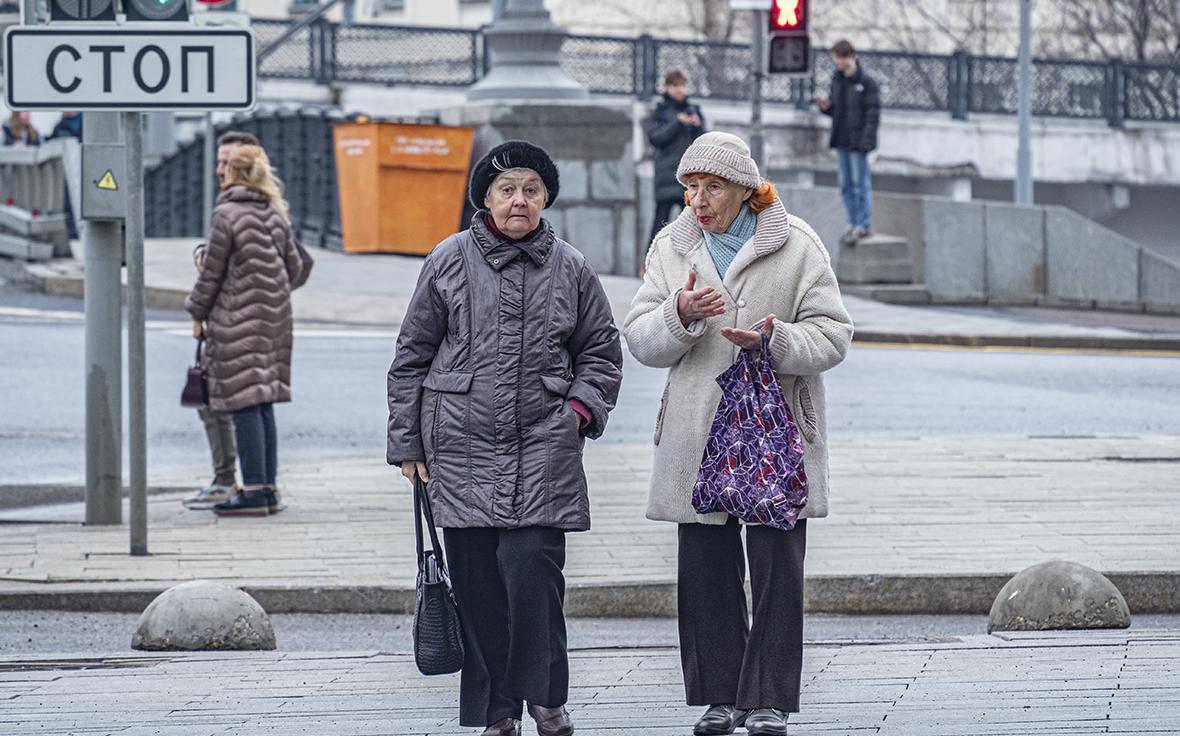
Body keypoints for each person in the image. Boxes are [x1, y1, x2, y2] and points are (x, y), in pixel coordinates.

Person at [387, 140, 623, 736]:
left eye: (531, 190)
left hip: (545, 442)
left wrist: (578, 410)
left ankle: (545, 698)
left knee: (530, 572)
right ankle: (496, 711)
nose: (519, 200)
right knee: (478, 585)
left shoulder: (571, 266)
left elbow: (601, 352)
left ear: (545, 199)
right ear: (486, 199)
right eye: (507, 190)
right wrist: (408, 444)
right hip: (460, 445)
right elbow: (411, 358)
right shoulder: (447, 259)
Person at [623, 132, 853, 736]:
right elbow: (641, 337)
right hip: (698, 433)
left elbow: (834, 333)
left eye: (713, 187)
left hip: (773, 433)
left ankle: (769, 698)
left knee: (777, 566)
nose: (699, 200)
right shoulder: (671, 247)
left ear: (746, 190)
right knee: (704, 567)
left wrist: (775, 341)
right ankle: (720, 697)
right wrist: (681, 315)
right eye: (691, 187)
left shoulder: (797, 245)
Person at [185, 144, 305, 517]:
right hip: (274, 319)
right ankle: (266, 487)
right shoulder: (274, 213)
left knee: (244, 404)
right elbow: (296, 268)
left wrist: (197, 311)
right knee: (263, 402)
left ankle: (252, 490)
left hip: (239, 318)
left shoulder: (228, 213)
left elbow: (212, 273)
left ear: (234, 174)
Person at [181, 130, 261, 510]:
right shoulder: (252, 205)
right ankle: (244, 483)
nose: (219, 169)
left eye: (226, 162)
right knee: (219, 401)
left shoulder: (243, 207)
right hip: (240, 320)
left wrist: (201, 309)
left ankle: (236, 483)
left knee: (224, 401)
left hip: (235, 323)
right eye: (218, 162)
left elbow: (220, 270)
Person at [816, 40, 880, 246]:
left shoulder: (866, 83)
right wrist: (825, 107)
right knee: (845, 185)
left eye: (840, 57)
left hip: (858, 142)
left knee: (859, 183)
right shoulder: (837, 80)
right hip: (842, 140)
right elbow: (837, 110)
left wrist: (867, 141)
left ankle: (864, 223)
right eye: (835, 58)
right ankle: (852, 222)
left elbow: (872, 115)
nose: (837, 62)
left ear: (850, 56)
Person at [645, 69, 706, 245]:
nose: (679, 90)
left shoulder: (693, 110)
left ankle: (692, 260)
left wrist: (697, 125)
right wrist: (677, 123)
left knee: (694, 222)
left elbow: (703, 142)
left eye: (682, 85)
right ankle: (651, 261)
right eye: (675, 86)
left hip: (689, 176)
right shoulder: (659, 111)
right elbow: (656, 138)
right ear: (667, 87)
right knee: (659, 221)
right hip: (666, 175)